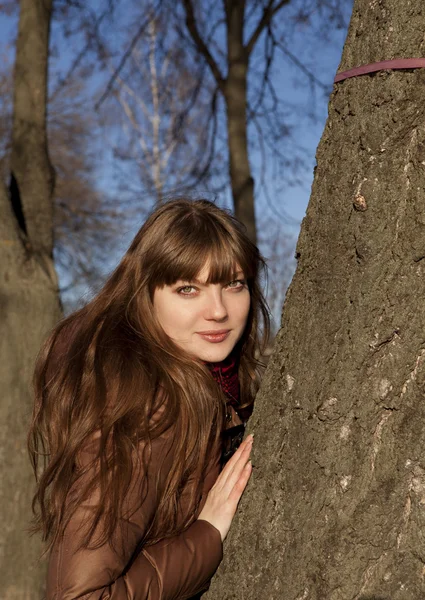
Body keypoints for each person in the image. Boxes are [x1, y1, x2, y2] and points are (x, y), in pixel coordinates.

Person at [28, 198, 270, 600]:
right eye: (188, 289)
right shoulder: (148, 406)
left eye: (234, 284)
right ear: (145, 298)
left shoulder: (213, 382)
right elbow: (81, 595)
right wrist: (206, 537)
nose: (218, 310)